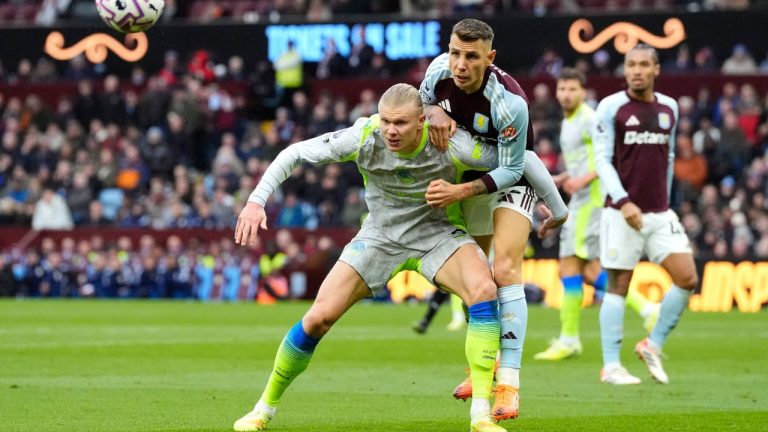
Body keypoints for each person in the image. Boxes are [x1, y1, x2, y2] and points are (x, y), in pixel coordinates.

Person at [232, 83, 510, 432]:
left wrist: (517, 199)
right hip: (379, 237)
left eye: (401, 123)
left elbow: (511, 161)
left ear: (423, 121)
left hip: (437, 235)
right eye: (386, 121)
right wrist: (256, 201)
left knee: (484, 289)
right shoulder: (364, 135)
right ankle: (262, 410)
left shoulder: (450, 142)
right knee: (318, 318)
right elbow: (295, 153)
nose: (391, 130)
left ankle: (481, 415)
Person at [419, 18, 567, 421]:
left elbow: (513, 167)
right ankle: (480, 367)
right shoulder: (437, 72)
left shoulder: (509, 102)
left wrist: (459, 192)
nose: (460, 64)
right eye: (455, 53)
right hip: (470, 178)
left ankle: (510, 386)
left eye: (471, 56)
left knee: (503, 269)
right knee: (474, 277)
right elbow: (422, 97)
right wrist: (432, 109)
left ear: (490, 57)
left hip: (510, 178)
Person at [534, 68, 659, 361]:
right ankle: (647, 309)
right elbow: (582, 160)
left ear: (582, 91)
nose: (566, 94)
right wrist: (564, 176)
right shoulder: (569, 121)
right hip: (581, 199)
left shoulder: (590, 119)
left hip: (589, 202)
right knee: (588, 272)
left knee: (568, 266)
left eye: (571, 89)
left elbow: (609, 156)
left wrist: (584, 180)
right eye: (562, 88)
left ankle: (569, 339)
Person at [593, 44, 698, 385]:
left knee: (687, 278)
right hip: (620, 212)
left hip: (657, 212)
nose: (636, 70)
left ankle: (652, 345)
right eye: (630, 65)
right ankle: (611, 366)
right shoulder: (611, 107)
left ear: (656, 69)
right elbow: (602, 161)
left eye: (643, 65)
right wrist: (623, 201)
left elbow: (666, 159)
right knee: (618, 286)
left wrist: (662, 200)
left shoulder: (670, 108)